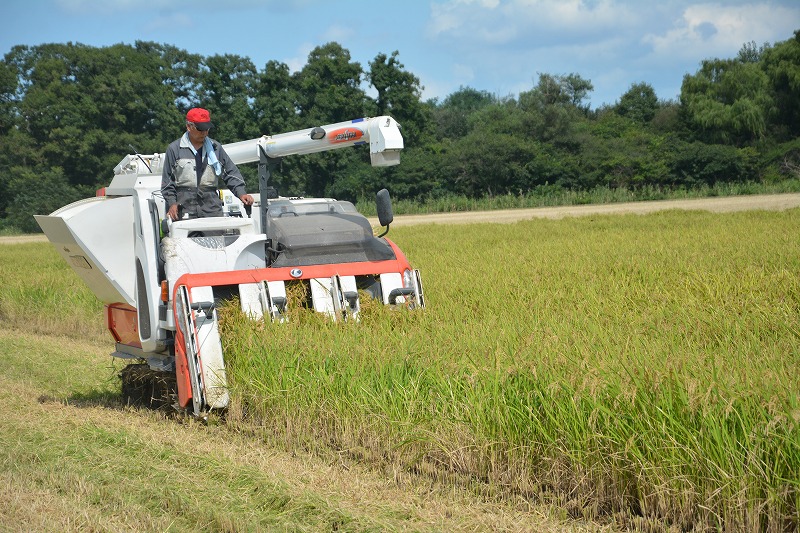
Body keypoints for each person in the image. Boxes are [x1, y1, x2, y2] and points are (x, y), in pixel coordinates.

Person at [161, 107, 254, 221]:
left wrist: (241, 193)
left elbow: (230, 172)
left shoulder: (216, 148)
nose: (204, 133)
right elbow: (167, 182)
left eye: (207, 129)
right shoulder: (174, 149)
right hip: (183, 207)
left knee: (216, 238)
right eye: (200, 129)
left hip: (211, 207)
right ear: (189, 127)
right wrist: (172, 203)